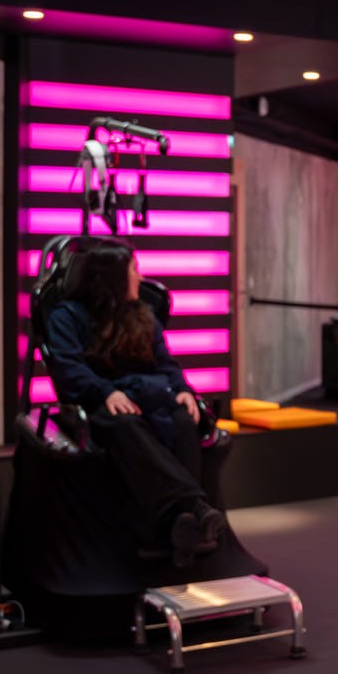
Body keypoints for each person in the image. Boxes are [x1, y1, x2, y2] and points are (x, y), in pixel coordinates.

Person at [42, 239, 227, 568]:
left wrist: (183, 389)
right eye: (134, 270)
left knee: (184, 418)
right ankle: (195, 509)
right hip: (100, 401)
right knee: (121, 423)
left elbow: (165, 363)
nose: (140, 278)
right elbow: (69, 371)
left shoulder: (143, 315)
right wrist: (105, 392)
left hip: (149, 397)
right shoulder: (66, 317)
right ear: (112, 278)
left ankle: (181, 524)